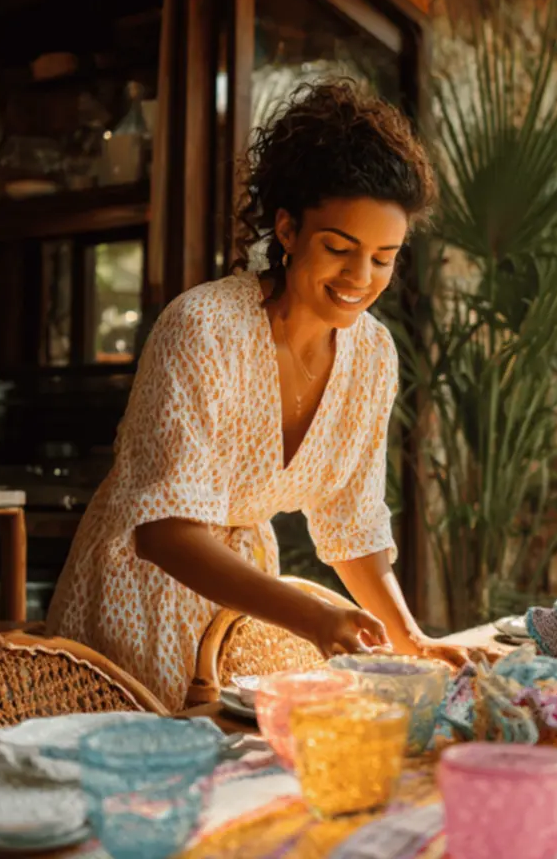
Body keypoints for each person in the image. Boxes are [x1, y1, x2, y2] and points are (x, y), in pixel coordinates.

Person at [46, 80, 468, 710]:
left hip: (239, 616)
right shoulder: (205, 328)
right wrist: (311, 617)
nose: (361, 278)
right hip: (136, 602)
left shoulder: (373, 356)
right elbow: (163, 534)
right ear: (288, 229)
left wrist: (411, 639)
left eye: (384, 257)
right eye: (339, 248)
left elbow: (354, 525)